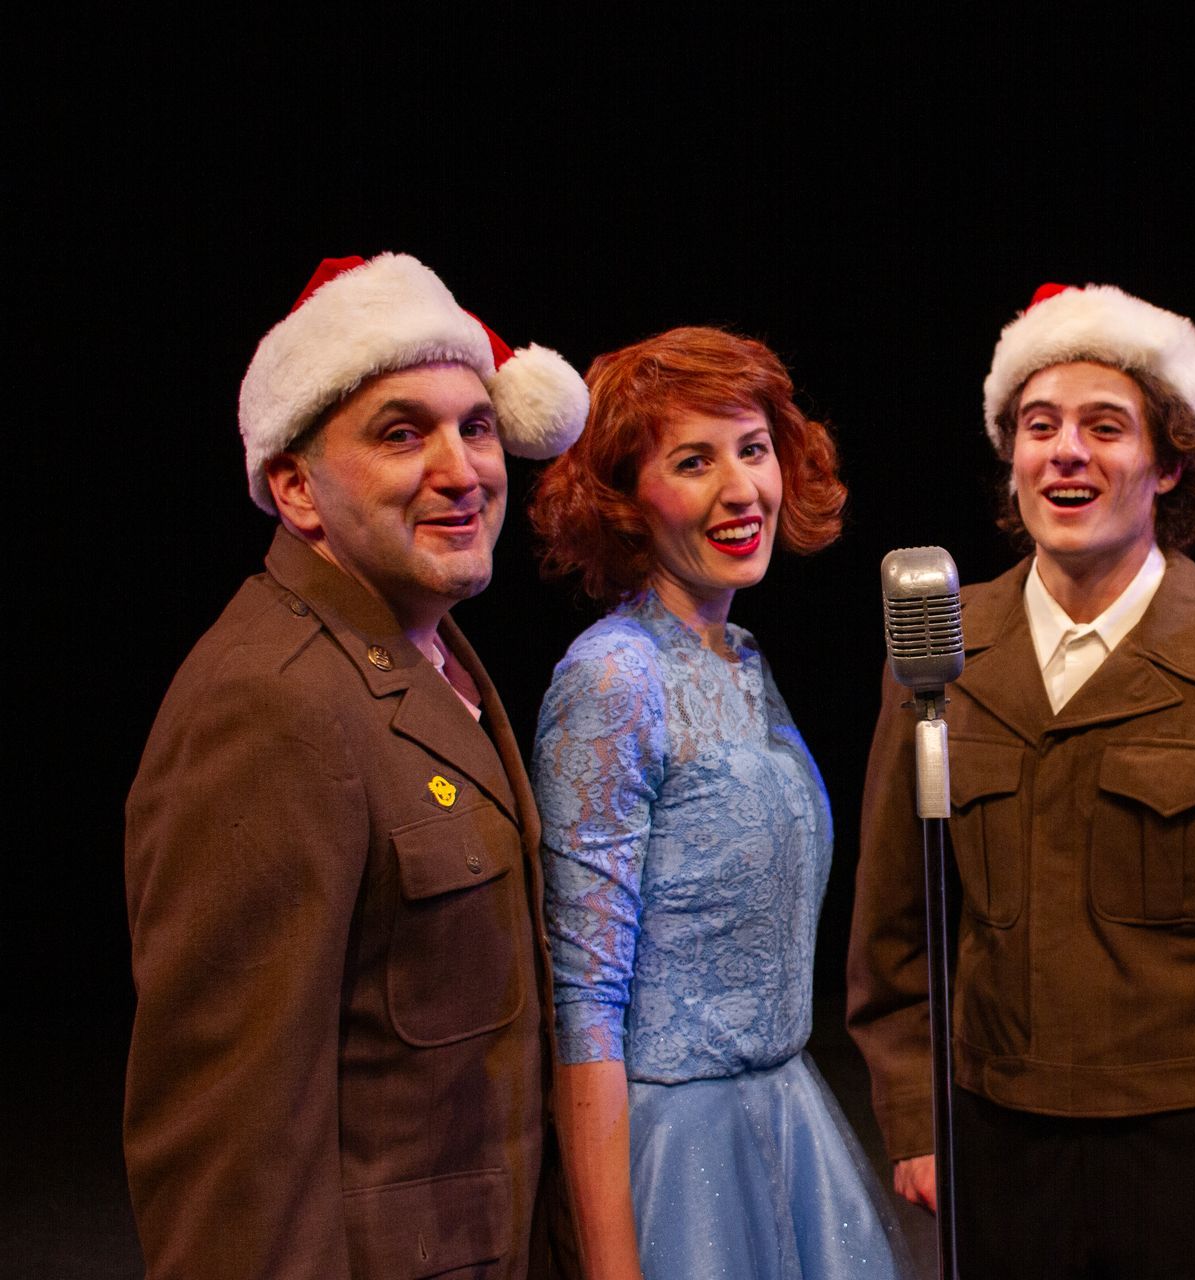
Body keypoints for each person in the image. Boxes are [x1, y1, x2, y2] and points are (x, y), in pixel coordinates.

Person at [848, 283, 1195, 1278]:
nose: (1065, 452)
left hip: (1186, 1159)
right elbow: (894, 928)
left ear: (1171, 461)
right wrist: (915, 1112)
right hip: (994, 1152)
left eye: (1106, 426)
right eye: (1038, 425)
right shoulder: (938, 653)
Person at [124, 253, 589, 1279]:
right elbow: (229, 1153)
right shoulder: (270, 702)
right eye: (401, 432)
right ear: (295, 487)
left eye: (474, 424)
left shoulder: (426, 652)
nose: (464, 468)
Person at [528, 327, 909, 1280]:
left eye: (753, 449)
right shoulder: (614, 678)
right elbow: (584, 1003)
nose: (742, 489)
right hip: (674, 1147)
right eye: (693, 461)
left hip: (784, 1119)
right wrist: (613, 1263)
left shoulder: (741, 661)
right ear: (625, 499)